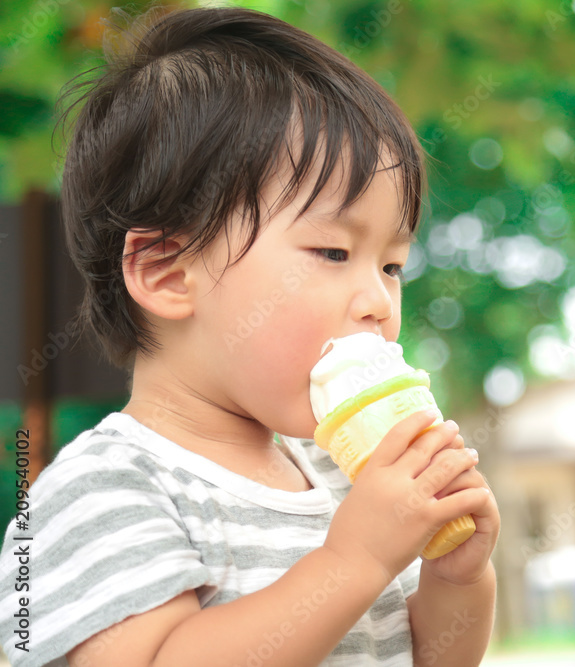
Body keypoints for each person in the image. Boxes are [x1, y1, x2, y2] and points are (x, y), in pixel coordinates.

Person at [0, 5, 500, 666]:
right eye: (331, 252)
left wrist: (457, 576)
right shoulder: (103, 489)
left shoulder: (341, 477)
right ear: (168, 272)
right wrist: (353, 560)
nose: (378, 302)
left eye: (392, 266)